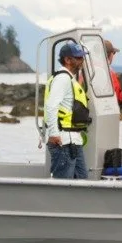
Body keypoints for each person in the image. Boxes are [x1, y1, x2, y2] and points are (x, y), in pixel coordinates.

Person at [43, 41, 91, 179]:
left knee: (82, 181)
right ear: (68, 60)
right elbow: (51, 106)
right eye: (78, 58)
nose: (82, 61)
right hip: (63, 141)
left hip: (73, 141)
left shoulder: (69, 78)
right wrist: (54, 134)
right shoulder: (63, 79)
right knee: (63, 185)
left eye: (82, 57)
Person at [104, 39, 122, 107]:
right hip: (109, 108)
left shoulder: (86, 70)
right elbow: (119, 97)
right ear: (110, 54)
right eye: (114, 53)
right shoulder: (110, 74)